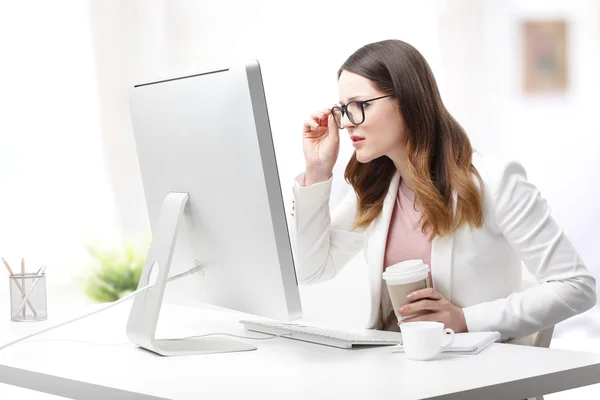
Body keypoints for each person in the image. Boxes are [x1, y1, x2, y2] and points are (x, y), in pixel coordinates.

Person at [289, 39, 597, 345]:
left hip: (476, 378)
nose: (345, 123)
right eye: (343, 109)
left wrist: (466, 320)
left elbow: (577, 287)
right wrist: (317, 170)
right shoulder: (376, 190)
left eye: (359, 106)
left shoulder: (495, 182)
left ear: (406, 100)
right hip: (397, 371)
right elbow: (311, 270)